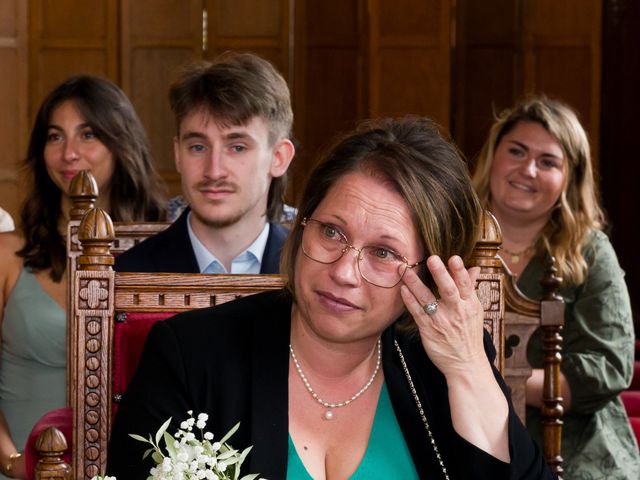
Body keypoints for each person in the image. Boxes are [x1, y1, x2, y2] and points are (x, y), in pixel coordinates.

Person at [107, 117, 554, 479]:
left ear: (429, 275)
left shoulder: (441, 367)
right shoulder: (191, 355)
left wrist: (468, 368)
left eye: (383, 253)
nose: (343, 272)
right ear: (302, 226)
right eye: (332, 232)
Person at [0, 74, 166, 479]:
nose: (69, 153)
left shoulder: (163, 251)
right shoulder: (7, 253)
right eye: (55, 137)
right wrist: (11, 461)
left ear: (119, 143)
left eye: (87, 134)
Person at [472, 95, 639, 478]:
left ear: (570, 178)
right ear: (493, 157)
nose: (527, 169)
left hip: (577, 453)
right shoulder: (451, 239)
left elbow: (608, 367)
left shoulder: (590, 251)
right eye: (516, 151)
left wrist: (496, 378)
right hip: (463, 442)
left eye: (548, 162)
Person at [115, 52, 296, 275]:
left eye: (237, 147)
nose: (214, 171)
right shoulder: (125, 275)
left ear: (279, 157)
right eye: (198, 147)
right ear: (178, 154)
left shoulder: (310, 273)